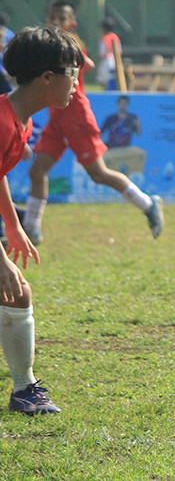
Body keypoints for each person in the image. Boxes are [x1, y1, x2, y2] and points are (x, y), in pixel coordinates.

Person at [22, 0, 163, 245]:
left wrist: (64, 49)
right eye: (52, 18)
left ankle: (148, 204)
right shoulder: (46, 46)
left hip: (76, 118)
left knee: (99, 174)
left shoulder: (70, 44)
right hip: (57, 119)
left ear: (71, 24)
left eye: (61, 18)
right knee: (37, 171)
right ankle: (32, 229)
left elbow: (88, 64)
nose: (55, 22)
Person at [1, 24, 88, 414]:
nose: (77, 83)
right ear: (47, 78)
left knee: (18, 293)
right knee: (13, 287)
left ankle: (25, 391)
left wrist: (13, 226)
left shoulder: (21, 120)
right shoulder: (3, 122)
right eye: (73, 73)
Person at [96, 18, 121, 91]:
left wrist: (98, 63)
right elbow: (119, 51)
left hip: (106, 61)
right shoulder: (115, 37)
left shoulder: (104, 38)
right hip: (114, 60)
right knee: (113, 82)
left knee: (105, 83)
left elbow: (102, 53)